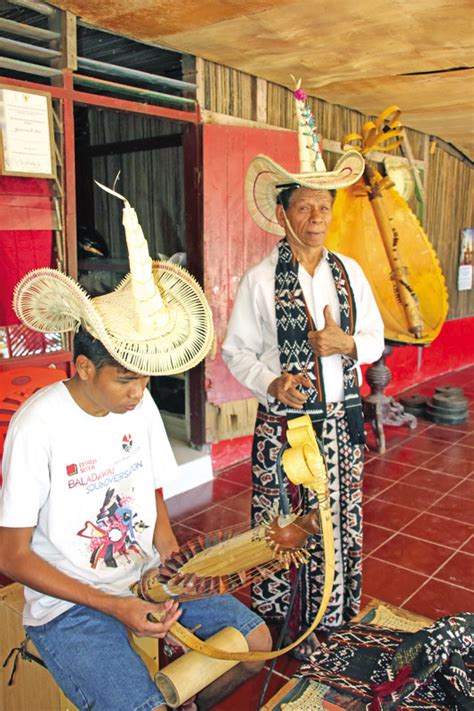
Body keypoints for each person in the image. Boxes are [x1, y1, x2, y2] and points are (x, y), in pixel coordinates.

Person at [0, 185, 271, 711]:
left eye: (145, 381)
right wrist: (113, 605)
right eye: (125, 380)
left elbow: (150, 489)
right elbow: (10, 556)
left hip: (146, 579)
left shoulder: (137, 406)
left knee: (255, 645)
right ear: (83, 368)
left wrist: (169, 557)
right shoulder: (39, 425)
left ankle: (175, 702)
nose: (139, 393)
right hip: (68, 603)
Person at [222, 86, 384, 659]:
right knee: (286, 524)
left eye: (325, 206)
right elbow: (235, 351)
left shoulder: (351, 273)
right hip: (284, 428)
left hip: (339, 424)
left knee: (336, 518)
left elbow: (376, 339)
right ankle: (281, 623)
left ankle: (334, 618)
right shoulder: (260, 280)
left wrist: (347, 344)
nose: (317, 218)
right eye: (305, 207)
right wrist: (273, 381)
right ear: (284, 213)